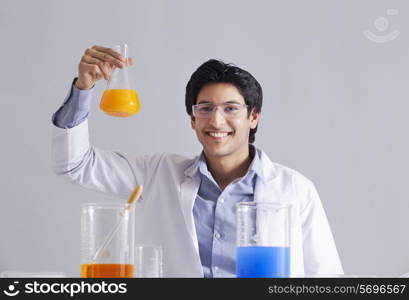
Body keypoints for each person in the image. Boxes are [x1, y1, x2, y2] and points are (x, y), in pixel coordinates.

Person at [51, 45, 344, 277]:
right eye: (205, 108)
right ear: (192, 119)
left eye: (231, 108)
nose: (216, 120)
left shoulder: (296, 189)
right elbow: (75, 164)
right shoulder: (158, 174)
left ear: (253, 117)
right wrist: (83, 88)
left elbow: (326, 278)